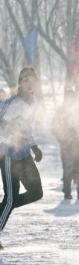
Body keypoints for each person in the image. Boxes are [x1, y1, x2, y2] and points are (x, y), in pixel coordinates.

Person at [0, 68, 44, 250]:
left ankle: (4, 208)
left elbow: (27, 128)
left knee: (36, 192)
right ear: (20, 83)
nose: (29, 83)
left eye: (32, 80)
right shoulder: (12, 103)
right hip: (8, 153)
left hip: (24, 153)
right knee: (11, 198)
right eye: (25, 80)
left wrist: (34, 146)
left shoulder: (33, 104)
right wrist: (9, 134)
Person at [51, 90, 79, 200]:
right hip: (67, 144)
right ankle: (67, 192)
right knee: (68, 169)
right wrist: (62, 139)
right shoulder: (61, 111)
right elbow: (54, 127)